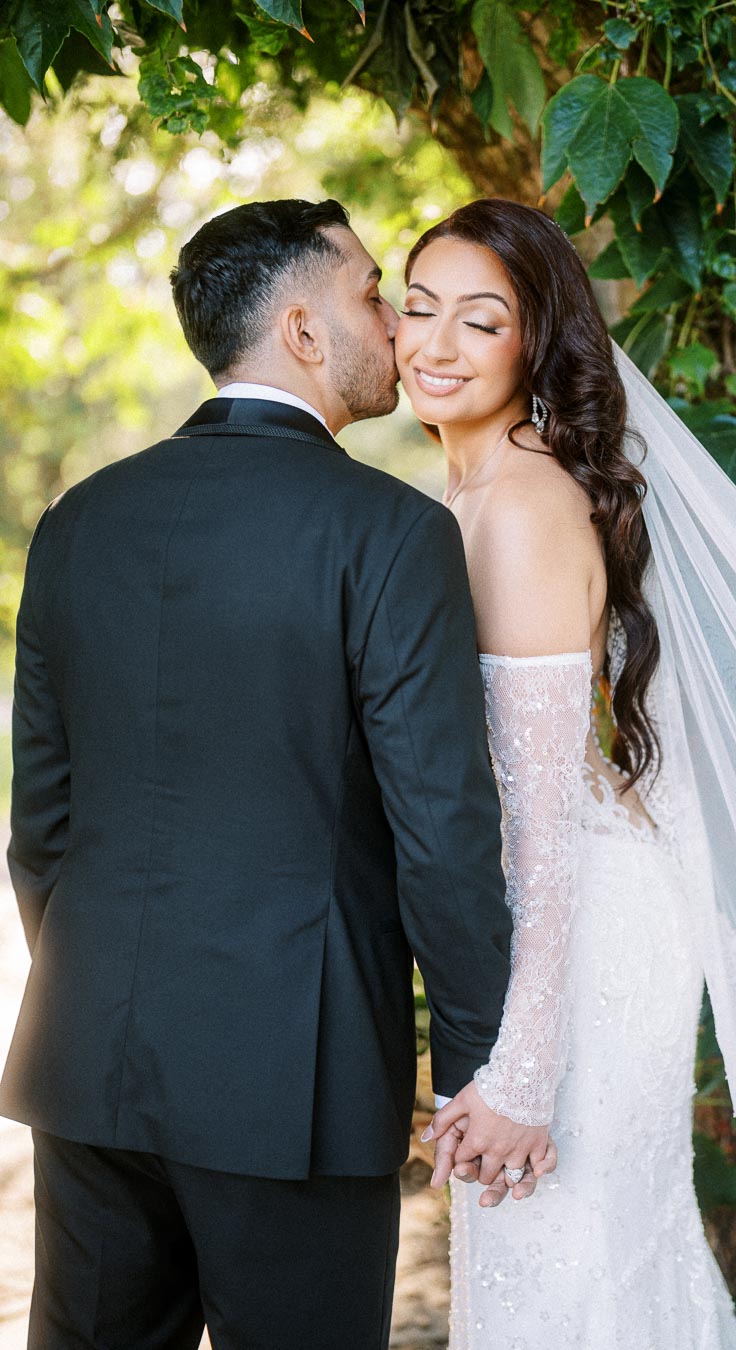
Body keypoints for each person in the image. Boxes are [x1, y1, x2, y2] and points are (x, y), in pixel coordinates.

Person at [0, 197, 550, 1350]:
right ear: (302, 330)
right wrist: (480, 1064)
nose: (396, 330)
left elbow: (39, 828)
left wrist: (111, 984)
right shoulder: (389, 533)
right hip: (293, 1084)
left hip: (91, 1061)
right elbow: (442, 828)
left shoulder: (77, 522)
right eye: (370, 296)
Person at [397, 199, 736, 1349]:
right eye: (420, 307)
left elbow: (542, 822)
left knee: (569, 1270)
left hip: (583, 940)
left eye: (480, 322)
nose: (435, 344)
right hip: (556, 933)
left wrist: (520, 1071)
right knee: (591, 1264)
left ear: (536, 347)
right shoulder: (473, 491)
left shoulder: (519, 508)